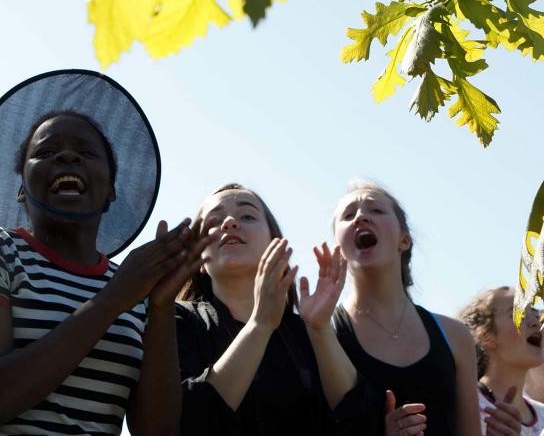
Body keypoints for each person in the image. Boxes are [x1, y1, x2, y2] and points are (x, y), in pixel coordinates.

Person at [0, 70, 212, 436]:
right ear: (21, 189)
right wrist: (111, 301)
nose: (68, 156)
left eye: (86, 152)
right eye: (46, 152)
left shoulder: (138, 292)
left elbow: (157, 431)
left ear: (111, 193)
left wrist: (162, 307)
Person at [175, 183, 381, 435]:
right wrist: (259, 325)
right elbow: (182, 421)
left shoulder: (308, 332)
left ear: (275, 242)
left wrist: (319, 328)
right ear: (200, 261)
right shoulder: (177, 320)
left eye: (247, 216)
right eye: (214, 221)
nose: (229, 222)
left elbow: (364, 424)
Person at [331, 181, 481, 436]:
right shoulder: (324, 332)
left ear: (404, 241)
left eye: (375, 210)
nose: (360, 218)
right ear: (338, 248)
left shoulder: (455, 335)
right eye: (348, 215)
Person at [460, 286, 544, 436]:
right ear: (486, 336)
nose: (536, 323)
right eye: (519, 314)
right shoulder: (463, 407)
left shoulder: (542, 414)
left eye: (535, 314)